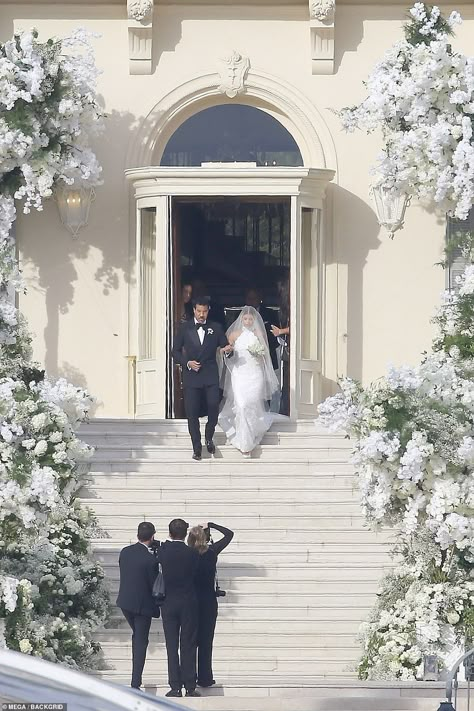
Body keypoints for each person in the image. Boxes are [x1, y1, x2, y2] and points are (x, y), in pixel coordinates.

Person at [172, 296, 233, 460]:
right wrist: (187, 362)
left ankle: (209, 436)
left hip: (210, 374)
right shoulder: (185, 328)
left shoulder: (216, 327)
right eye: (199, 311)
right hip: (191, 376)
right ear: (194, 310)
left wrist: (228, 350)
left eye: (204, 311)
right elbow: (175, 351)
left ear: (208, 311)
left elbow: (225, 345)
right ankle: (196, 447)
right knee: (191, 412)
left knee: (213, 406)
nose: (201, 314)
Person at [218, 306, 281, 456]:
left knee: (251, 404)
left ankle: (249, 437)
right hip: (239, 374)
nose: (247, 321)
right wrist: (227, 351)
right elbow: (224, 350)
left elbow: (266, 353)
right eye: (245, 319)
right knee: (241, 404)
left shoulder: (258, 333)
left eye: (250, 319)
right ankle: (244, 441)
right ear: (241, 319)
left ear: (254, 320)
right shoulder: (234, 334)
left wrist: (258, 354)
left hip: (255, 373)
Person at [187, 522, 234, 689]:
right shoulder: (212, 552)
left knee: (191, 641)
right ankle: (205, 677)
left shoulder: (187, 553)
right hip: (208, 601)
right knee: (206, 641)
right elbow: (229, 534)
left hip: (191, 601)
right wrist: (211, 525)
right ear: (206, 538)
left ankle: (189, 676)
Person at [158, 519, 200, 698]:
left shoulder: (163, 552)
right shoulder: (192, 553)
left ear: (169, 533)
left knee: (171, 644)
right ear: (185, 534)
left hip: (168, 602)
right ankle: (190, 685)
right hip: (188, 601)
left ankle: (175, 686)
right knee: (188, 644)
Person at [116, 521, 159, 691]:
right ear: (153, 536)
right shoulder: (150, 559)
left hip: (125, 602)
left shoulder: (125, 552)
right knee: (141, 641)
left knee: (138, 637)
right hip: (142, 605)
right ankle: (135, 682)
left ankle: (136, 680)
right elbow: (154, 583)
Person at [244, 287, 280, 412]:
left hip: (266, 355)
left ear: (260, 299)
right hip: (246, 360)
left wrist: (261, 349)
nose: (251, 301)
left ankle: (265, 412)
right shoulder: (241, 315)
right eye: (249, 298)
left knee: (265, 387)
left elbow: (276, 336)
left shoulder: (270, 313)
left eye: (254, 298)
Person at [271, 277, 290, 416]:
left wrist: (281, 332)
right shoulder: (285, 308)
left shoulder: (293, 304)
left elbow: (300, 324)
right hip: (286, 349)